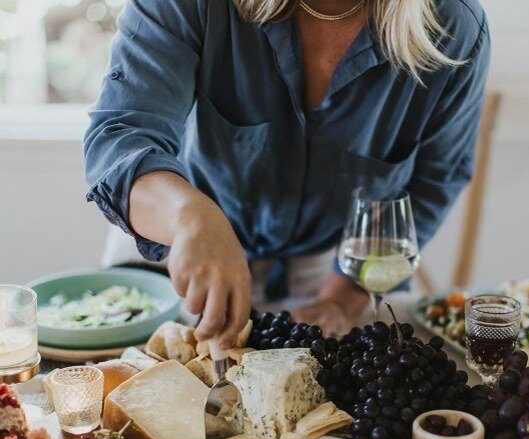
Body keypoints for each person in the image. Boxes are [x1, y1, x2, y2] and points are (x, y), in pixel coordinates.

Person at [84, 0, 489, 348]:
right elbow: (122, 135)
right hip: (177, 237)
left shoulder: (455, 26)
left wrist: (341, 298)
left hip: (338, 262)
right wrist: (189, 216)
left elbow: (435, 182)